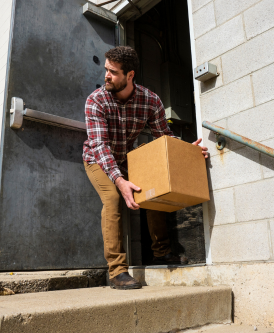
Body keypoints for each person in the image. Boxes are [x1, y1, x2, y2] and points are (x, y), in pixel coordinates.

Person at [82, 46, 208, 290]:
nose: (106, 75)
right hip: (97, 159)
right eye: (106, 69)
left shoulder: (150, 100)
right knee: (112, 198)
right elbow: (100, 145)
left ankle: (161, 252)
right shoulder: (96, 101)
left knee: (152, 186)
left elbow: (164, 137)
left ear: (130, 75)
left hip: (125, 157)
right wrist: (119, 180)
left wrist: (189, 152)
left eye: (113, 72)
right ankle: (117, 271)